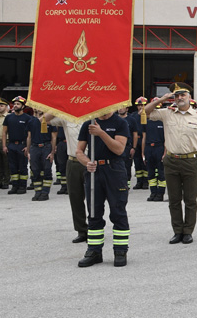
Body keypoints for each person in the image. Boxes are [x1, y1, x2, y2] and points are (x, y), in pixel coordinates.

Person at [143, 87, 197, 244]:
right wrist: (161, 100)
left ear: (189, 97)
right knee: (174, 199)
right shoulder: (167, 113)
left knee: (190, 199)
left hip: (190, 161)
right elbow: (145, 112)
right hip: (171, 160)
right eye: (177, 96)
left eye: (183, 95)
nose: (180, 98)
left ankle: (188, 231)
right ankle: (177, 231)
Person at [76, 110, 130, 267]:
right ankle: (94, 251)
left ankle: (120, 251)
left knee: (118, 212)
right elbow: (79, 151)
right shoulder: (88, 124)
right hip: (94, 171)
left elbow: (119, 149)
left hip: (114, 169)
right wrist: (87, 162)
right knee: (94, 213)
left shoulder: (120, 123)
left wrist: (101, 133)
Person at [46, 112, 88, 242]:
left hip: (90, 161)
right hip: (73, 162)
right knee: (75, 198)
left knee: (94, 199)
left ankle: (95, 229)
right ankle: (82, 230)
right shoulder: (67, 118)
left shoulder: (94, 117)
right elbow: (44, 119)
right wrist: (58, 107)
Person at [2, 96, 31, 194]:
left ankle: (22, 186)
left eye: (18, 104)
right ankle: (15, 186)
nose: (15, 106)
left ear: (23, 106)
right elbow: (4, 133)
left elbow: (29, 135)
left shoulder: (27, 118)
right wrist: (4, 146)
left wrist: (28, 147)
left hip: (22, 146)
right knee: (13, 167)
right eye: (14, 104)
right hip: (11, 145)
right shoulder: (9, 117)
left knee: (22, 167)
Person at [27, 111, 54, 201]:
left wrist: (52, 152)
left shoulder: (50, 121)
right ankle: (37, 192)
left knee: (46, 170)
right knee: (35, 170)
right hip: (35, 147)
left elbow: (53, 137)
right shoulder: (31, 121)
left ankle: (45, 192)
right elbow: (29, 137)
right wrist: (28, 151)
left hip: (46, 146)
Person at [142, 102, 167, 202]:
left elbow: (166, 138)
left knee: (161, 172)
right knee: (150, 172)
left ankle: (160, 194)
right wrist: (143, 152)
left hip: (159, 148)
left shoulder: (163, 122)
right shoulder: (146, 122)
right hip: (149, 148)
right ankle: (153, 192)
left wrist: (165, 152)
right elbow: (144, 137)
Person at [128, 99, 148, 189]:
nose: (140, 107)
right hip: (136, 139)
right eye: (139, 105)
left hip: (145, 140)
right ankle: (139, 181)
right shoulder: (133, 116)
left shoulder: (149, 115)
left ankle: (146, 181)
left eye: (143, 105)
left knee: (145, 161)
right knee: (137, 161)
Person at [0, 97, 8, 190]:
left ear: (6, 107)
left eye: (1, 106)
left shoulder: (9, 117)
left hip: (5, 141)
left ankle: (6, 180)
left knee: (6, 163)